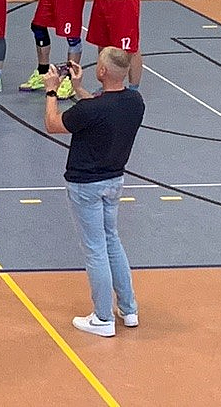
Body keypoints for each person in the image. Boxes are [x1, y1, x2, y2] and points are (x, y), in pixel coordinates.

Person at [44, 49, 144, 338]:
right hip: (114, 180)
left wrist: (52, 91)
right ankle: (129, 309)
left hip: (86, 184)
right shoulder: (134, 102)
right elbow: (101, 110)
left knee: (95, 249)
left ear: (102, 72)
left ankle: (103, 317)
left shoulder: (91, 110)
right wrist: (78, 89)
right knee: (112, 240)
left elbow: (52, 124)